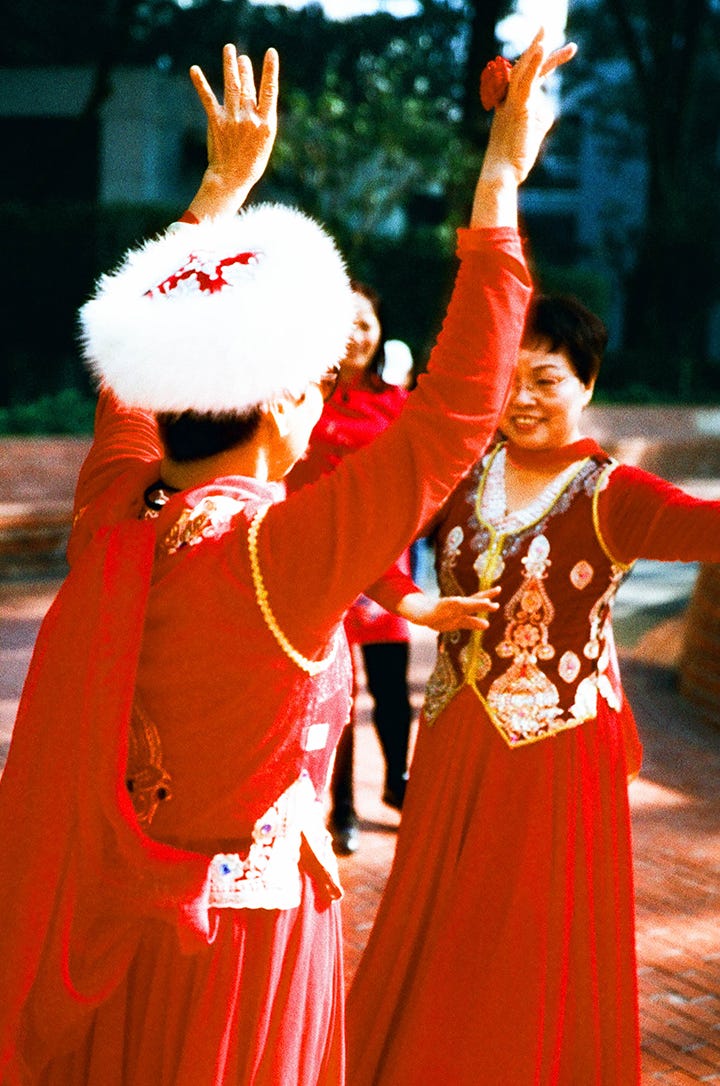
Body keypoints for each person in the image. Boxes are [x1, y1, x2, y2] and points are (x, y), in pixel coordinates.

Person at [0, 32, 572, 1084]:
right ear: (277, 404)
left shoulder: (117, 509)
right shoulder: (277, 555)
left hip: (121, 937)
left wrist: (217, 193)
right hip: (242, 951)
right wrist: (500, 174)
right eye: (310, 381)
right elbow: (456, 413)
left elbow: (128, 379)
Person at [346, 291, 720, 1084]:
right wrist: (417, 605)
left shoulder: (613, 493)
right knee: (443, 925)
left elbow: (706, 526)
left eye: (546, 380)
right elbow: (362, 535)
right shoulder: (460, 472)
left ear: (587, 384)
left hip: (556, 757)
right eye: (509, 380)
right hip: (452, 743)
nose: (522, 399)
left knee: (528, 937)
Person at [286, 280, 414, 855]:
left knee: (390, 687)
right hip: (316, 562)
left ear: (380, 330)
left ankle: (398, 784)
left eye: (365, 322)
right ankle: (341, 807)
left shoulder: (399, 402)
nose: (356, 334)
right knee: (334, 689)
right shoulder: (302, 397)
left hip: (383, 559)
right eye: (345, 323)